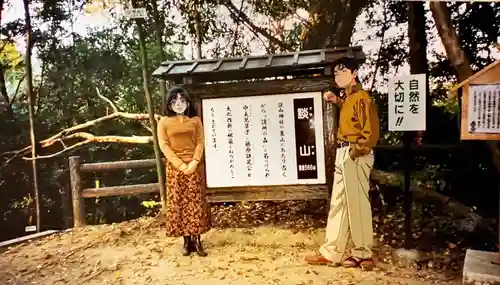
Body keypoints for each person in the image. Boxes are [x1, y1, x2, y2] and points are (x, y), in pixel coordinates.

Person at [305, 57, 380, 270]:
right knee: (339, 203)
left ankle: (363, 253)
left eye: (342, 71)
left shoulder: (362, 97)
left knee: (357, 204)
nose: (338, 76)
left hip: (354, 152)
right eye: (336, 73)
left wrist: (356, 152)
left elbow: (371, 132)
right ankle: (332, 252)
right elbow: (350, 114)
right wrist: (335, 100)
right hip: (344, 152)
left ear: (354, 73)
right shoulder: (348, 98)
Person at [157, 86, 211, 257]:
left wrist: (194, 161)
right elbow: (164, 145)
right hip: (175, 169)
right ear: (169, 104)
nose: (179, 104)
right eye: (175, 101)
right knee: (180, 204)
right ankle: (186, 241)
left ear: (187, 102)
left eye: (182, 100)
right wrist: (179, 165)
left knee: (195, 204)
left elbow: (200, 142)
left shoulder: (195, 120)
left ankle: (197, 240)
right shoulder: (164, 122)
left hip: (194, 167)